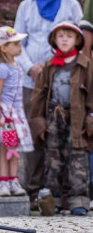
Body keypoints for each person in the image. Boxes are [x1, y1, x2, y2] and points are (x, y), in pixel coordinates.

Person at [13, 0, 82, 208]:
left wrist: (53, 65)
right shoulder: (25, 7)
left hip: (63, 81)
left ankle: (64, 195)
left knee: (64, 136)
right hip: (31, 83)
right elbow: (17, 42)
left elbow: (77, 41)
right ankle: (33, 193)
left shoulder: (71, 6)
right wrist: (32, 67)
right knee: (34, 136)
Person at [29, 22, 93, 215]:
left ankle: (78, 200)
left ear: (77, 40)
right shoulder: (49, 65)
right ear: (54, 40)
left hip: (78, 119)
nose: (65, 39)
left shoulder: (85, 64)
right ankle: (52, 200)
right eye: (61, 36)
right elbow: (38, 96)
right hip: (53, 119)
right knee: (53, 159)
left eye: (69, 36)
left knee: (78, 158)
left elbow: (92, 94)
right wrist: (39, 124)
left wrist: (90, 120)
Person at [0, 26, 33, 197]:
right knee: (4, 148)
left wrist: (21, 112)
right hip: (6, 113)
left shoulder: (18, 66)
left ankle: (14, 180)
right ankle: (3, 181)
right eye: (15, 44)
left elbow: (19, 91)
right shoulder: (2, 68)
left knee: (14, 148)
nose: (19, 46)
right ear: (4, 48)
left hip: (17, 113)